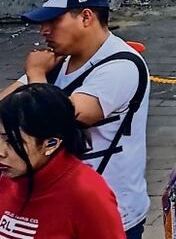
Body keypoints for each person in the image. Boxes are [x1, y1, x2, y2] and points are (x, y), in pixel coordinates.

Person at [1, 0, 149, 238]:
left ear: (86, 17)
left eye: (53, 21)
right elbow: (7, 105)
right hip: (52, 206)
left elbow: (51, 118)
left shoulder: (122, 66)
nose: (43, 30)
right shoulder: (59, 61)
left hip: (106, 209)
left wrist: (35, 73)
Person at [0, 84, 125, 239]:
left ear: (51, 144)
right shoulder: (7, 176)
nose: (1, 152)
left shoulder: (87, 195)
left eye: (13, 142)